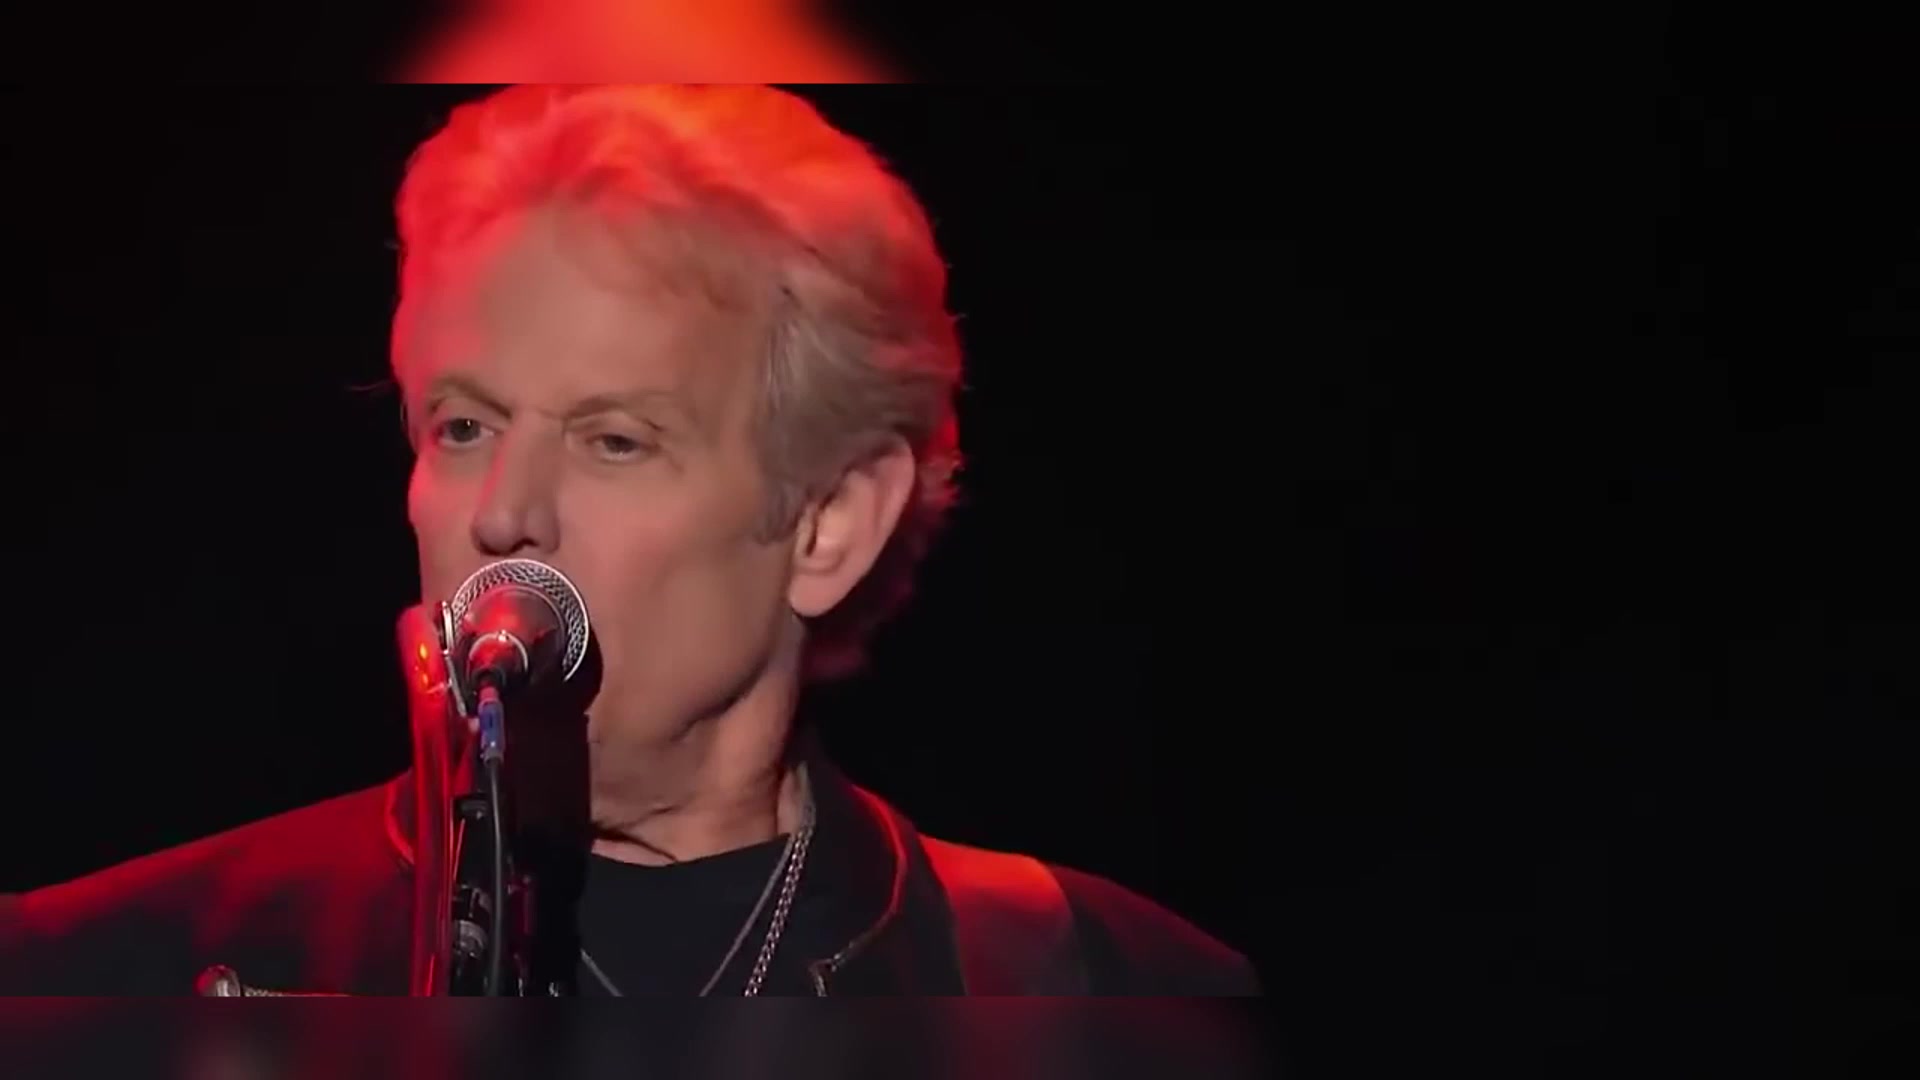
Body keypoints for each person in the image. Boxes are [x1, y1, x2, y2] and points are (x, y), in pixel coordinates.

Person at [0, 85, 1258, 996]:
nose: (505, 513)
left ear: (829, 523)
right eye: (464, 425)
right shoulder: (95, 978)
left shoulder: (1105, 991)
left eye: (615, 440)